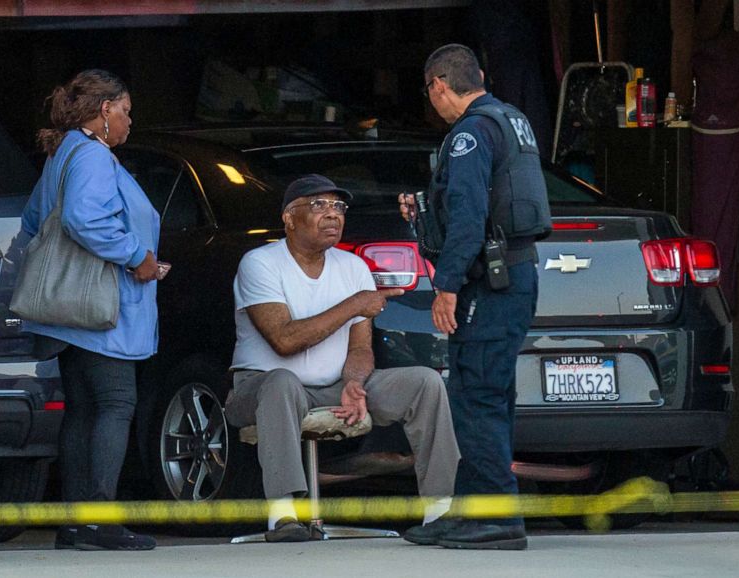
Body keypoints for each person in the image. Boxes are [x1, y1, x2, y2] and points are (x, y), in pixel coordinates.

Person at [225, 174, 460, 543]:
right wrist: (354, 304)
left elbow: (360, 349)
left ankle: (440, 511)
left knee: (424, 383)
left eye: (338, 207)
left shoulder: (353, 267)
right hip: (262, 389)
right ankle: (284, 515)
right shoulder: (261, 263)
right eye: (318, 205)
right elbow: (284, 340)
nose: (332, 214)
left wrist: (354, 382)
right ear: (289, 217)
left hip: (333, 385)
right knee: (281, 382)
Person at [398, 44, 551, 551]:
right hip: (514, 274)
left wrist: (444, 286)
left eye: (431, 92)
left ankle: (497, 516)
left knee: (477, 393)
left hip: (489, 281)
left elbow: (468, 214)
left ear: (439, 85)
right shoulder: (511, 120)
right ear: (480, 76)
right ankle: (469, 511)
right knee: (485, 394)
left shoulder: (468, 133)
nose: (433, 101)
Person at [20, 69, 161, 551]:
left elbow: (34, 220)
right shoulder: (95, 156)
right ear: (104, 110)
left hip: (69, 308)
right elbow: (84, 217)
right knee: (116, 405)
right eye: (125, 112)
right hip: (100, 307)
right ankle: (100, 518)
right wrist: (136, 255)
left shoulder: (62, 154)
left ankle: (77, 522)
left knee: (82, 410)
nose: (128, 122)